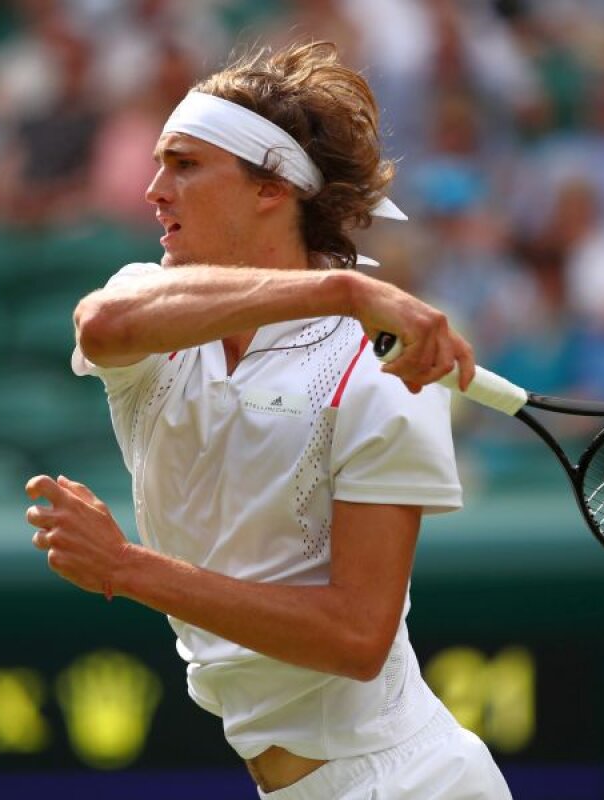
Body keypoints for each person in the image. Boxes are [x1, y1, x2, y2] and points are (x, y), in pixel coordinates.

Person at [25, 41, 511, 799]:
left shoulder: (387, 379)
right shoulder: (152, 306)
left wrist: (128, 569)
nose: (154, 189)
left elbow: (356, 636)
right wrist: (340, 294)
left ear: (272, 187)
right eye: (159, 162)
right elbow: (101, 325)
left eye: (185, 164)